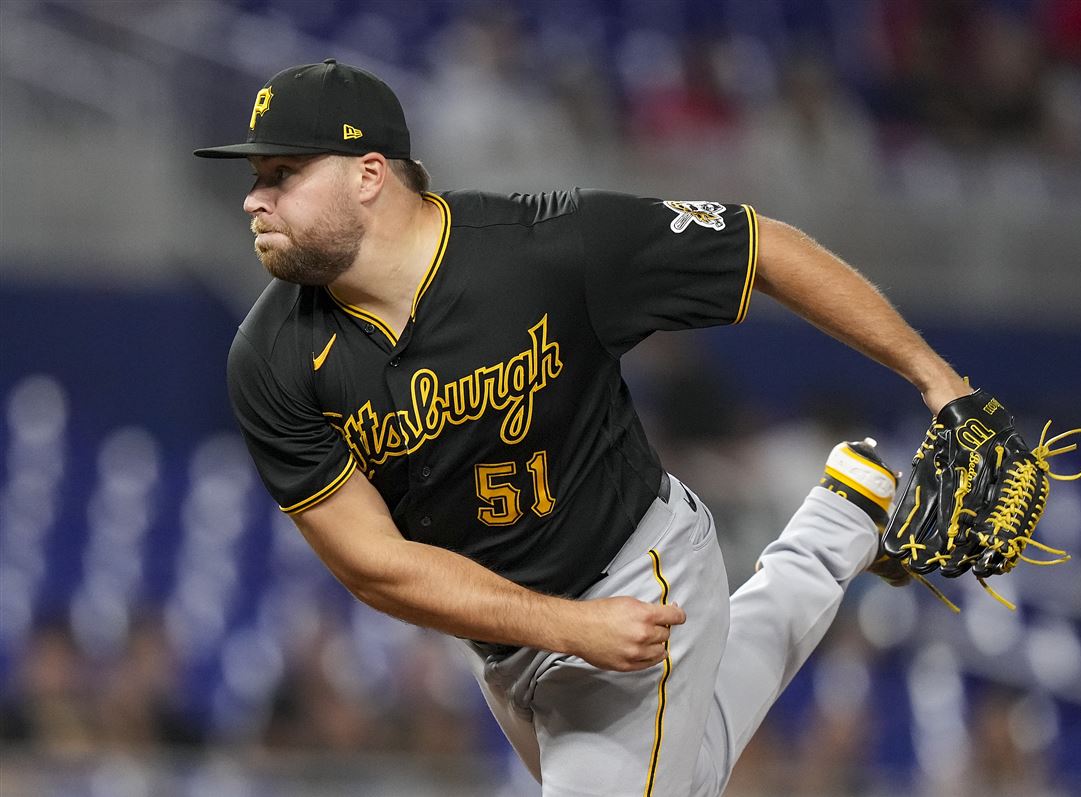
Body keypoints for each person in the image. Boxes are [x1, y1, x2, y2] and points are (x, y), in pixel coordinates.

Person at [195, 60, 969, 796]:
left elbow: (760, 248)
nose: (254, 199)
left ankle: (834, 532)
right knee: (690, 769)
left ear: (368, 173)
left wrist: (938, 379)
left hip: (637, 569)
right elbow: (374, 564)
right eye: (258, 179)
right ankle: (840, 525)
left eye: (282, 174)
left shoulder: (546, 249)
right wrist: (566, 627)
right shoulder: (272, 358)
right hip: (515, 637)